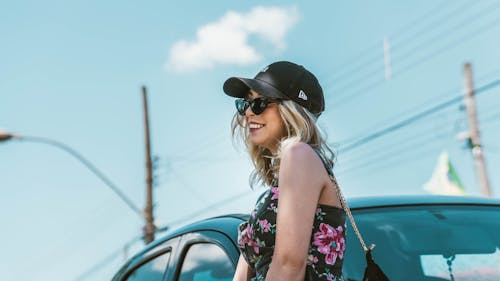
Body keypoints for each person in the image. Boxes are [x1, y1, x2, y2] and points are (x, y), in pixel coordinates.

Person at [223, 61, 347, 281]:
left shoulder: (299, 154)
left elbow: (289, 267)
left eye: (259, 103)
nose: (248, 113)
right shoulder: (275, 191)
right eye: (245, 104)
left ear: (292, 109)